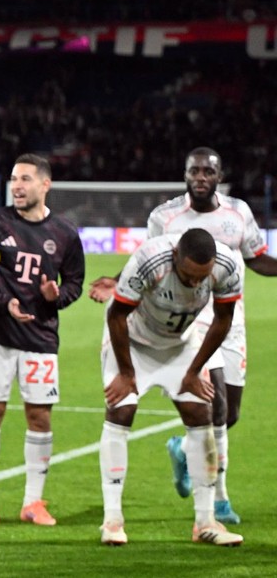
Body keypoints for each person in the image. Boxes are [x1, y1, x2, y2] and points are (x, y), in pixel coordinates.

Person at [90, 147, 277, 525]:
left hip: (228, 317)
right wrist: (117, 280)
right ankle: (219, 500)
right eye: (194, 171)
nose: (201, 178)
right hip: (189, 323)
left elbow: (256, 256)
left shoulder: (239, 213)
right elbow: (148, 259)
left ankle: (183, 449)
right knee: (213, 404)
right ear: (185, 174)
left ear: (220, 176)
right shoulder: (165, 216)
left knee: (230, 413)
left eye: (208, 171)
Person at [97, 229, 243, 547]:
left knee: (200, 414)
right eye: (188, 275)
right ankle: (112, 520)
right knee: (121, 410)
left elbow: (222, 319)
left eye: (201, 278)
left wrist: (194, 371)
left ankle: (205, 522)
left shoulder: (226, 266)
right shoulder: (150, 260)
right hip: (132, 340)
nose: (194, 283)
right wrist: (126, 373)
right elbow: (117, 315)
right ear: (176, 255)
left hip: (180, 344)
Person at [0, 154, 85, 526]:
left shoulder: (64, 233)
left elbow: (75, 283)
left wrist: (56, 297)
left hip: (40, 337)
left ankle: (33, 502)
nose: (17, 186)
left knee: (40, 416)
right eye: (14, 179)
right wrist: (5, 301)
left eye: (25, 179)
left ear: (45, 185)